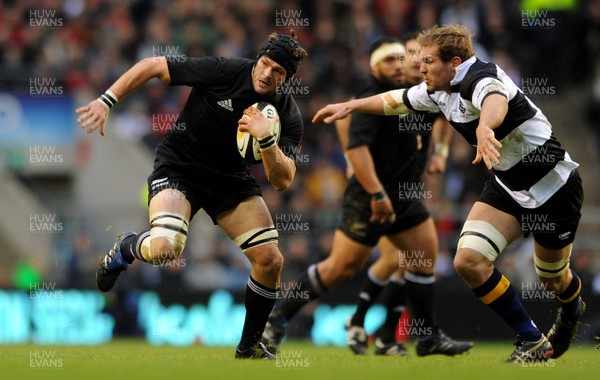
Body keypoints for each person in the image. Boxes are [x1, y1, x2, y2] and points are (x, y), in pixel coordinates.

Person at [313, 24, 585, 363]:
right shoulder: (436, 89)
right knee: (468, 261)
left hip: (554, 189)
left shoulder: (481, 77)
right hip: (507, 187)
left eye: (427, 61)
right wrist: (351, 106)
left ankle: (571, 312)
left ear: (454, 63)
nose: (420, 68)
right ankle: (530, 338)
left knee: (552, 278)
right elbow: (394, 100)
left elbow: (495, 99)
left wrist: (485, 126)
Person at [76, 31, 307, 359]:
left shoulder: (287, 115)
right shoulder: (224, 71)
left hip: (230, 180)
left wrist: (268, 141)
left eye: (278, 72)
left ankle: (249, 347)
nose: (267, 74)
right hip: (180, 167)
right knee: (165, 249)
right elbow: (155, 65)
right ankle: (126, 247)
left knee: (270, 260)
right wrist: (106, 100)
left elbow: (283, 180)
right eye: (266, 64)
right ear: (258, 59)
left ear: (287, 79)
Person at [261, 37, 472, 357]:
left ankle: (424, 336)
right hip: (370, 197)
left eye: (401, 59)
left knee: (423, 255)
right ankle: (277, 320)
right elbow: (356, 150)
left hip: (404, 196)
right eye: (389, 61)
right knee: (341, 267)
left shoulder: (418, 92)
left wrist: (440, 152)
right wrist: (375, 193)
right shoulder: (371, 97)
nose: (398, 65)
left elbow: (442, 115)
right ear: (374, 67)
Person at [340, 35, 454, 356]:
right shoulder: (393, 91)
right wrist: (351, 160)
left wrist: (440, 151)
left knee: (409, 263)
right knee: (398, 260)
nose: (417, 61)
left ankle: (386, 335)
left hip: (409, 187)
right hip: (383, 189)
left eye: (422, 56)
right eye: (411, 55)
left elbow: (445, 116)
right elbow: (348, 117)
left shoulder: (431, 90)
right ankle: (365, 323)